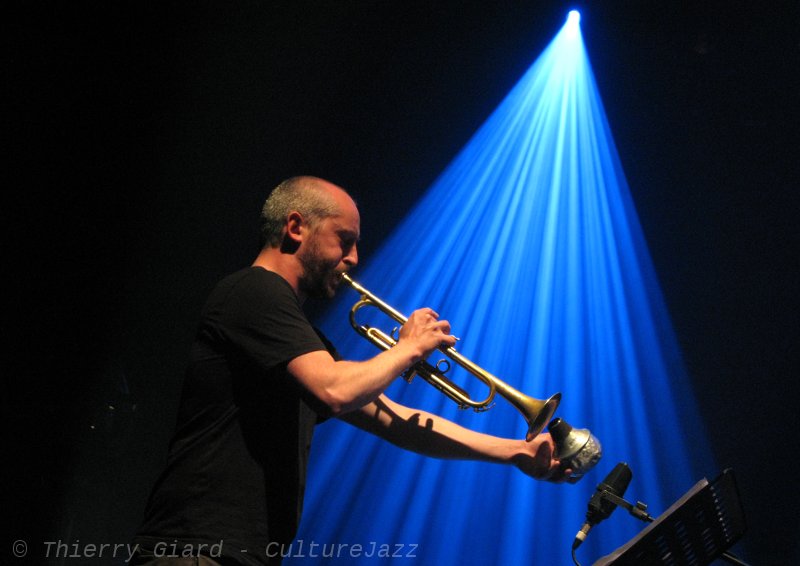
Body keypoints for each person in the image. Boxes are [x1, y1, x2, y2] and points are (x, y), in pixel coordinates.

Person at [132, 176, 575, 565]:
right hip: (194, 551)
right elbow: (334, 390)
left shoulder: (297, 336)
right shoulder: (254, 291)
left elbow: (398, 422)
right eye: (344, 239)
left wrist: (514, 451)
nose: (355, 257)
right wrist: (408, 349)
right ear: (296, 226)